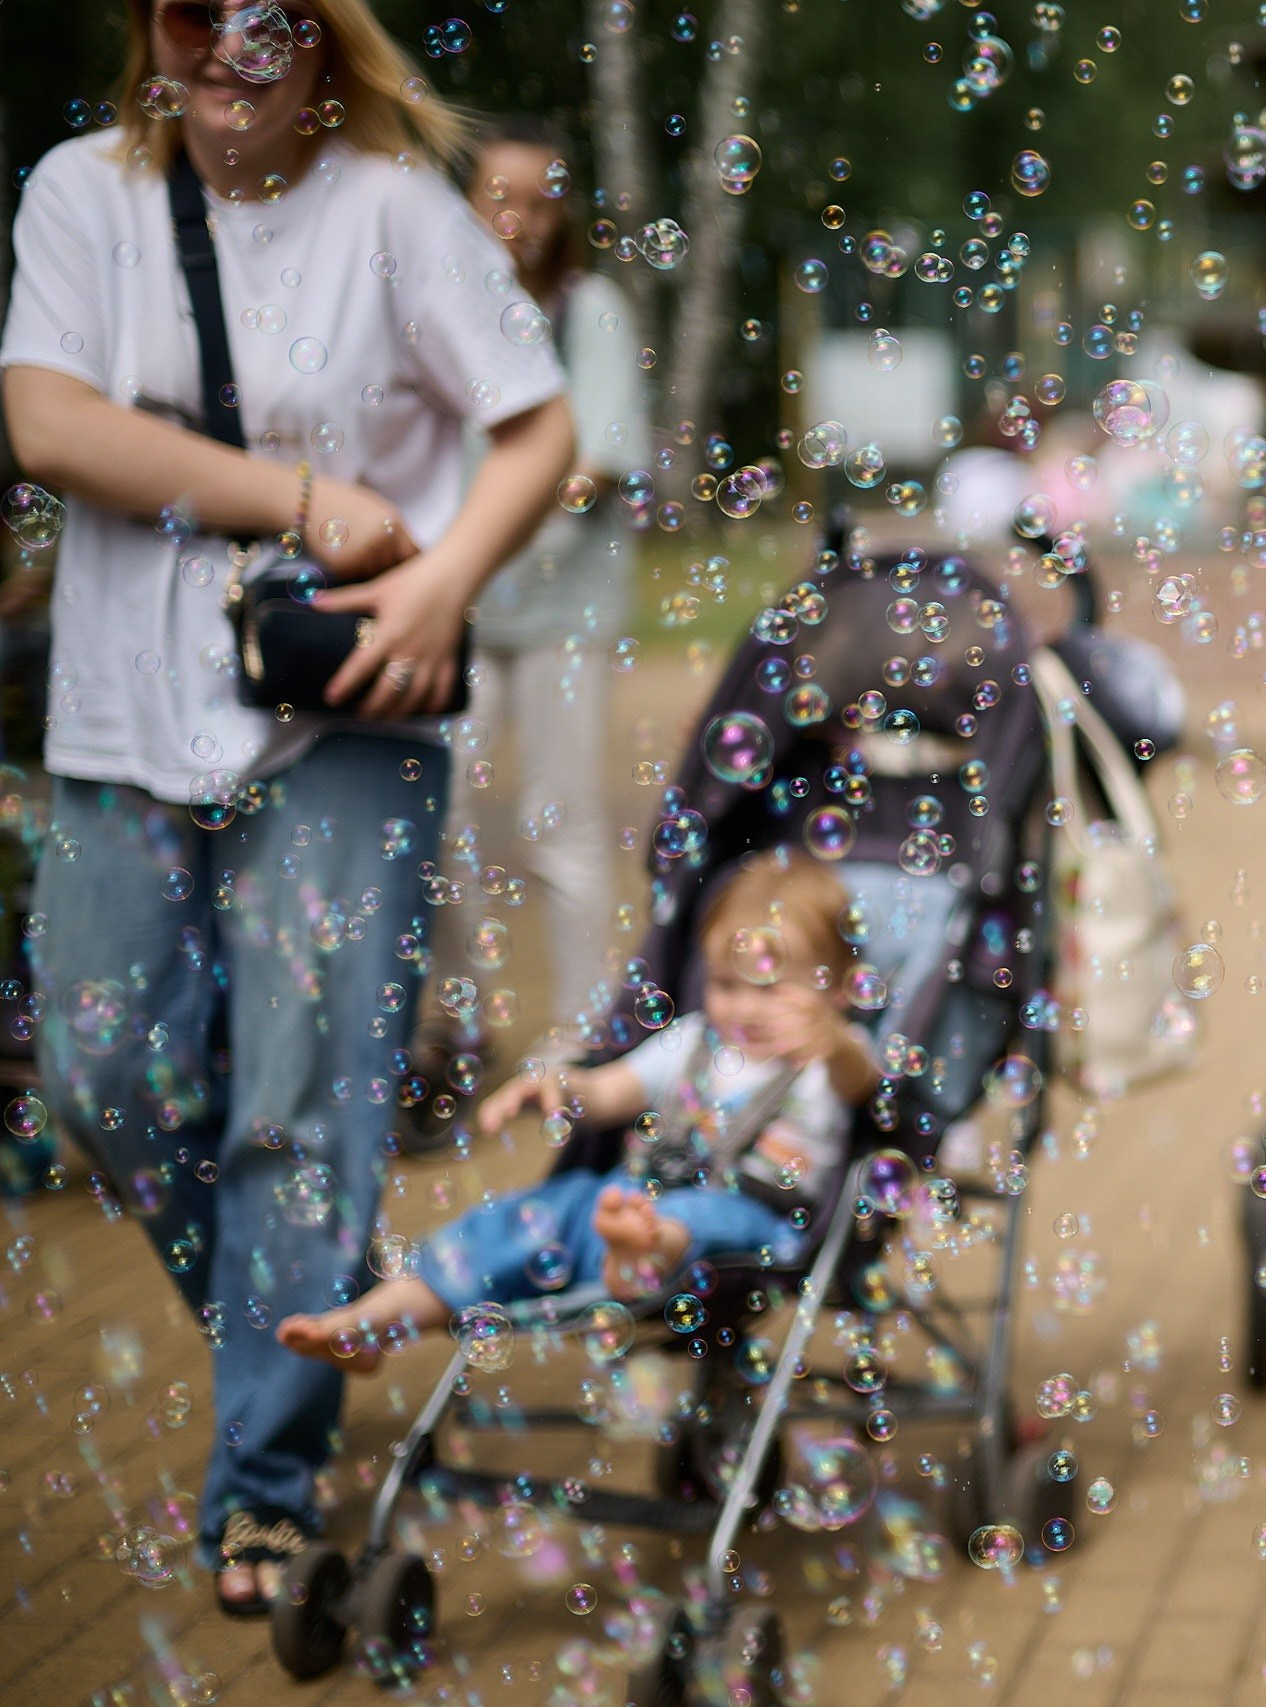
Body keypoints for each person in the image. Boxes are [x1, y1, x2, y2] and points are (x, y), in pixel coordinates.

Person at [2, 0, 574, 1614]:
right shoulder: (83, 194)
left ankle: (266, 1483)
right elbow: (48, 424)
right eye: (194, 12)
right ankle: (304, 1316)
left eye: (269, 18)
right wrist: (306, 500)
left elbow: (538, 426)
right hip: (123, 719)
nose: (227, 50)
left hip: (344, 717)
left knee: (299, 1115)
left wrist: (445, 584)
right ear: (151, 31)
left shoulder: (395, 211)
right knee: (100, 1068)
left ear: (325, 38)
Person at [275, 854, 879, 1365]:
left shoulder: (831, 1057)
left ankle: (639, 1254)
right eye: (726, 984)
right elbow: (611, 1091)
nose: (744, 1007)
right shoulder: (695, 1040)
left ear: (838, 988)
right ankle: (376, 1323)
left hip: (755, 1220)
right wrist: (557, 1087)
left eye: (769, 986)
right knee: (526, 1216)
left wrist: (834, 1039)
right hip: (628, 1200)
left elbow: (866, 1088)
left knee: (693, 1215)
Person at [454, 117, 646, 1053]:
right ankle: (458, 1018)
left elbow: (599, 461)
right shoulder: (444, 308)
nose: (517, 220)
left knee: (560, 820)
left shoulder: (587, 310)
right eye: (498, 197)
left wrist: (487, 534)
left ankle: (580, 1030)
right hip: (455, 605)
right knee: (437, 805)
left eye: (538, 202)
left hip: (561, 608)